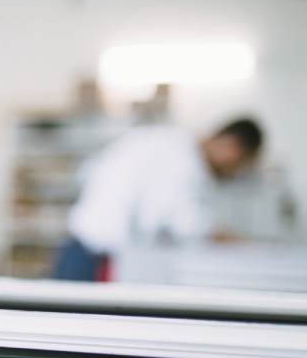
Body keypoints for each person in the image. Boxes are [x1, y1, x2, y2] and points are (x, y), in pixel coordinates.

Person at [53, 119, 264, 281]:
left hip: (82, 247)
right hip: (97, 258)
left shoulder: (168, 140)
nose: (236, 172)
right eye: (241, 164)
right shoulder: (183, 161)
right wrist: (246, 246)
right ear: (230, 147)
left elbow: (90, 171)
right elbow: (188, 224)